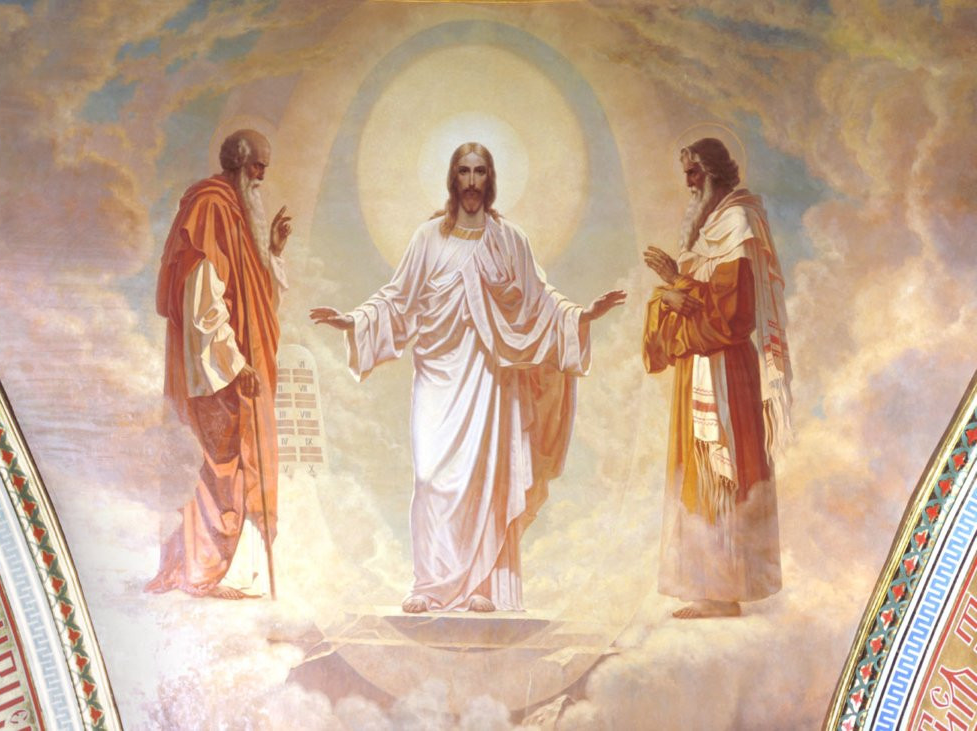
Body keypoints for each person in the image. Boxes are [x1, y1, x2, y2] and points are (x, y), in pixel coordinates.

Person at [311, 142, 625, 613]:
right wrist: (353, 321)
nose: (472, 182)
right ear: (453, 178)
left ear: (490, 179)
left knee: (484, 478)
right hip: (438, 373)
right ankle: (429, 584)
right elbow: (398, 297)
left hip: (491, 376)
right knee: (430, 478)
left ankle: (482, 585)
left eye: (480, 172)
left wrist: (582, 316)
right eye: (464, 172)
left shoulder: (510, 240)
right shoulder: (428, 238)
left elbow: (539, 299)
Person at [642, 137, 792, 619]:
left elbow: (734, 314)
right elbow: (690, 301)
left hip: (725, 368)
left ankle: (725, 589)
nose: (688, 183)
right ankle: (706, 586)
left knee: (722, 469)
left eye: (694, 173)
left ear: (713, 173)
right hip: (698, 365)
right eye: (685, 174)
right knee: (697, 470)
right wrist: (668, 295)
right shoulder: (707, 228)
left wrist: (676, 284)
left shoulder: (737, 222)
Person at [146, 129, 292, 599]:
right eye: (257, 166)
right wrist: (234, 361)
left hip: (226, 366)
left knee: (228, 463)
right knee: (213, 464)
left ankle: (208, 570)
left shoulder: (237, 214)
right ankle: (199, 572)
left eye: (265, 167)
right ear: (238, 164)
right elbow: (203, 298)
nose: (262, 176)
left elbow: (254, 298)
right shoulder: (211, 208)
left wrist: (273, 251)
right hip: (211, 369)